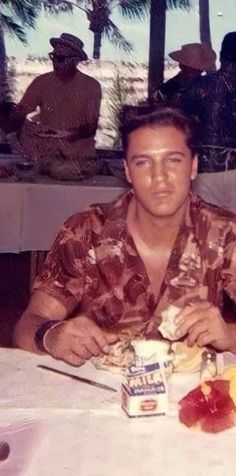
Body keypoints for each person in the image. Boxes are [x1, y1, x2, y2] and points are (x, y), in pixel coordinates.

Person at [14, 106, 236, 366]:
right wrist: (50, 335)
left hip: (189, 397)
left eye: (173, 160)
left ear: (193, 166)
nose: (159, 176)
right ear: (128, 171)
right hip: (102, 396)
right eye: (143, 162)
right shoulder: (86, 231)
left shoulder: (224, 233)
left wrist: (229, 335)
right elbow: (27, 325)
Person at [0, 33, 102, 176]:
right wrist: (9, 117)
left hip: (78, 154)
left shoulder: (91, 86)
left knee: (63, 169)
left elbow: (91, 127)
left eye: (60, 59)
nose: (55, 63)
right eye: (53, 57)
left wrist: (65, 134)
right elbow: (20, 114)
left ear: (76, 61)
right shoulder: (41, 82)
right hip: (45, 152)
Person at [178, 32, 236, 212]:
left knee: (206, 229)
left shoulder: (199, 85)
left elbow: (176, 116)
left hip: (207, 167)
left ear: (221, 54)